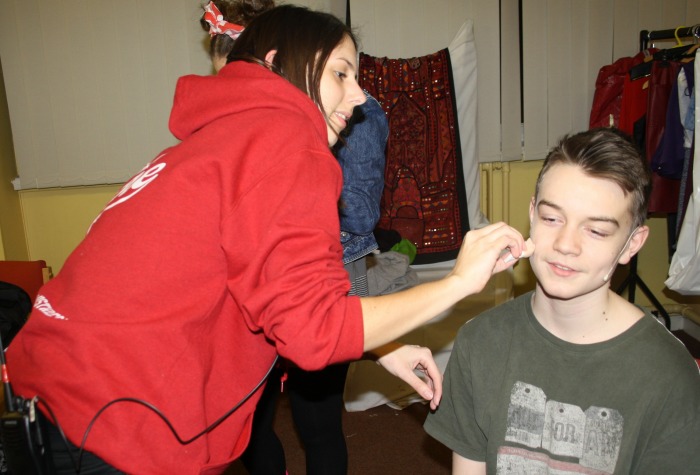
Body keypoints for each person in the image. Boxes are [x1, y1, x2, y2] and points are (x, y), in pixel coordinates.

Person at [6, 5, 527, 474]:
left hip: (48, 393)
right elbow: (313, 330)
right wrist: (459, 281)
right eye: (341, 74)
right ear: (279, 64)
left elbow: (273, 291)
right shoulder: (288, 142)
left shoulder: (213, 144)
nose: (360, 95)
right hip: (113, 420)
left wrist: (381, 346)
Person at [424, 127, 700, 474]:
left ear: (632, 243)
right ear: (532, 214)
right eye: (552, 218)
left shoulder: (669, 375)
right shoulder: (479, 343)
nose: (565, 244)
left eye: (596, 230)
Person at [203, 2, 389, 473]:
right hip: (252, 284)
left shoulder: (356, 113)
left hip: (328, 277)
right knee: (248, 425)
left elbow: (360, 217)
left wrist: (295, 199)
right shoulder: (236, 114)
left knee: (317, 424)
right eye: (220, 64)